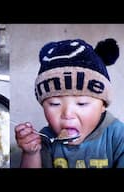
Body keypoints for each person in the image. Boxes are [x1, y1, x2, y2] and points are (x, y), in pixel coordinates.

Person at [14, 38, 124, 168]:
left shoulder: (118, 136)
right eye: (54, 104)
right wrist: (31, 154)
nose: (67, 114)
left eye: (82, 103)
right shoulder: (45, 139)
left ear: (103, 106)